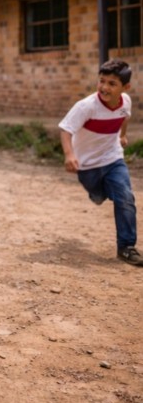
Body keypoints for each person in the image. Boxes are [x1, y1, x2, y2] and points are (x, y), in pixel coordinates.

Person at [59, 58, 141, 267]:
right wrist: (70, 155)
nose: (104, 87)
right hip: (87, 165)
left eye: (112, 84)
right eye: (101, 81)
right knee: (97, 195)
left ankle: (126, 247)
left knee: (125, 197)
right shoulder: (86, 106)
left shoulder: (126, 102)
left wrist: (122, 135)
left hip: (113, 158)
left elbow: (125, 117)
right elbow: (66, 130)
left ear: (125, 87)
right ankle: (99, 193)